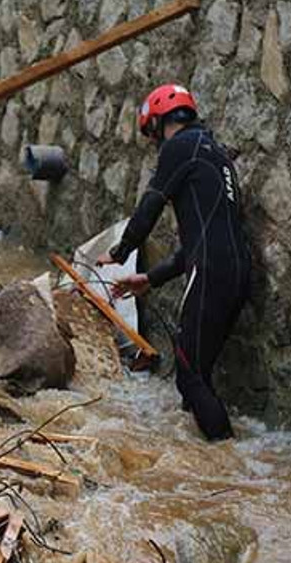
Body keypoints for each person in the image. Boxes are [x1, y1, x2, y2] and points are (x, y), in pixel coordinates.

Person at [97, 84, 252, 441]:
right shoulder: (216, 153)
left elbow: (150, 203)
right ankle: (200, 456)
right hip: (236, 270)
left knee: (188, 374)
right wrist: (150, 278)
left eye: (152, 133)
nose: (155, 144)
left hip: (212, 271)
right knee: (199, 371)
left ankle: (225, 458)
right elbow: (205, 239)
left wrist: (121, 251)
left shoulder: (180, 146)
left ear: (159, 123)